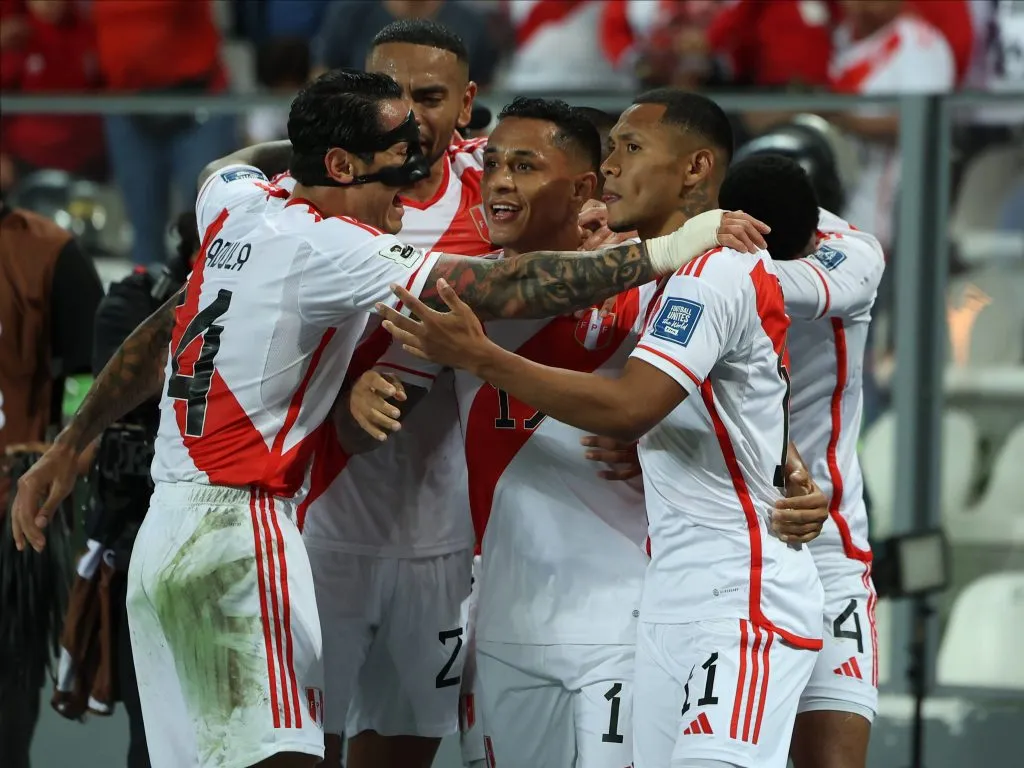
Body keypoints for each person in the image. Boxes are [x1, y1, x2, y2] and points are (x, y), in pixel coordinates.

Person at [10, 71, 767, 768]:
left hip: (171, 535)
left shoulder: (237, 205)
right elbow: (505, 288)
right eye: (401, 165)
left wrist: (74, 442)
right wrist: (677, 243)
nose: (417, 186)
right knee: (287, 758)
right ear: (339, 168)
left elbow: (169, 324)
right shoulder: (338, 247)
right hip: (243, 536)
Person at [348, 96, 830, 768]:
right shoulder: (460, 289)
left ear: (577, 192)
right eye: (492, 164)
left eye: (525, 165)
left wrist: (789, 466)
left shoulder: (647, 283)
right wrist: (362, 390)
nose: (502, 181)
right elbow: (375, 376)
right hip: (507, 617)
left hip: (629, 617)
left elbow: (715, 392)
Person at [277, 20, 496, 768]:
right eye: (388, 92)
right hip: (317, 523)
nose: (406, 114)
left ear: (468, 103)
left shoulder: (498, 200)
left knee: (401, 755)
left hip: (438, 537)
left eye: (429, 97)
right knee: (301, 750)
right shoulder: (305, 197)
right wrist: (339, 392)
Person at [717, 153, 885, 768]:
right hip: (723, 546)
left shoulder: (855, 253)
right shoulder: (698, 251)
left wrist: (675, 253)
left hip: (829, 547)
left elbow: (783, 288)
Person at [0, 191, 103, 768]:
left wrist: (62, 443)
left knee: (6, 691)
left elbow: (93, 371)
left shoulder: (47, 252)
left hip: (11, 509)